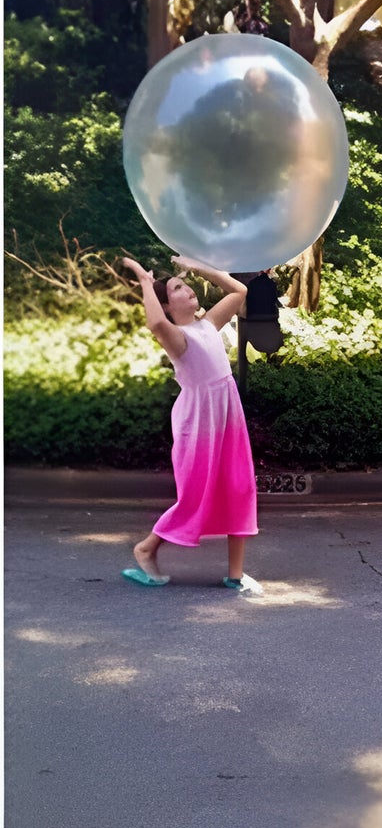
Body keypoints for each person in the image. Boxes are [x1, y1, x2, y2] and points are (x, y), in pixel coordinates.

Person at [119, 255, 262, 595]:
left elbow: (239, 290)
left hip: (228, 417)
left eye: (186, 284)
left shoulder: (208, 325)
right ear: (168, 305)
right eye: (178, 288)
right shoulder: (177, 337)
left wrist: (199, 268)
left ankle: (236, 575)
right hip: (199, 423)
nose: (188, 289)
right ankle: (146, 548)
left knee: (239, 487)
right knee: (195, 494)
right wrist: (143, 280)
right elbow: (155, 324)